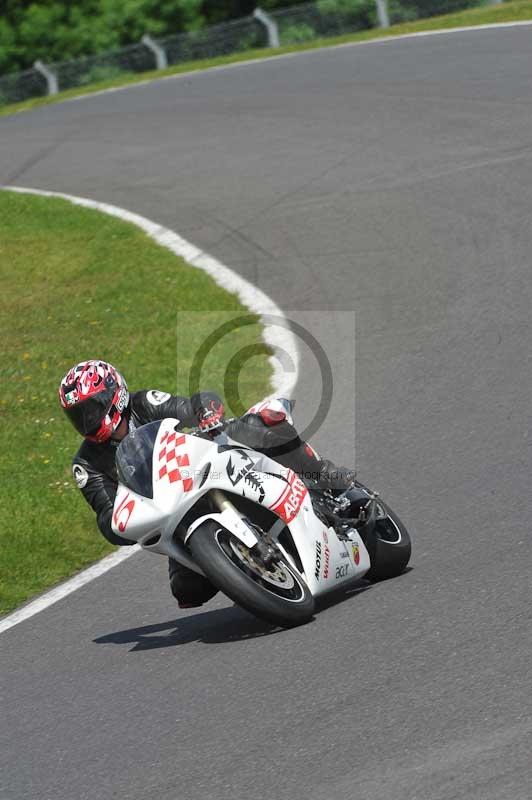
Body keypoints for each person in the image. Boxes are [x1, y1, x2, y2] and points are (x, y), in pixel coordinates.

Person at [59, 359, 353, 609]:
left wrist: (206, 412)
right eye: (78, 416)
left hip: (200, 466)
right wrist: (119, 523)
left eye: (92, 409)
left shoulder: (142, 403)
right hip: (172, 512)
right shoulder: (85, 465)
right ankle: (247, 570)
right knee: (187, 592)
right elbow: (105, 514)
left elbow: (192, 404)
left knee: (258, 426)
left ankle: (321, 475)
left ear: (115, 395)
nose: (87, 421)